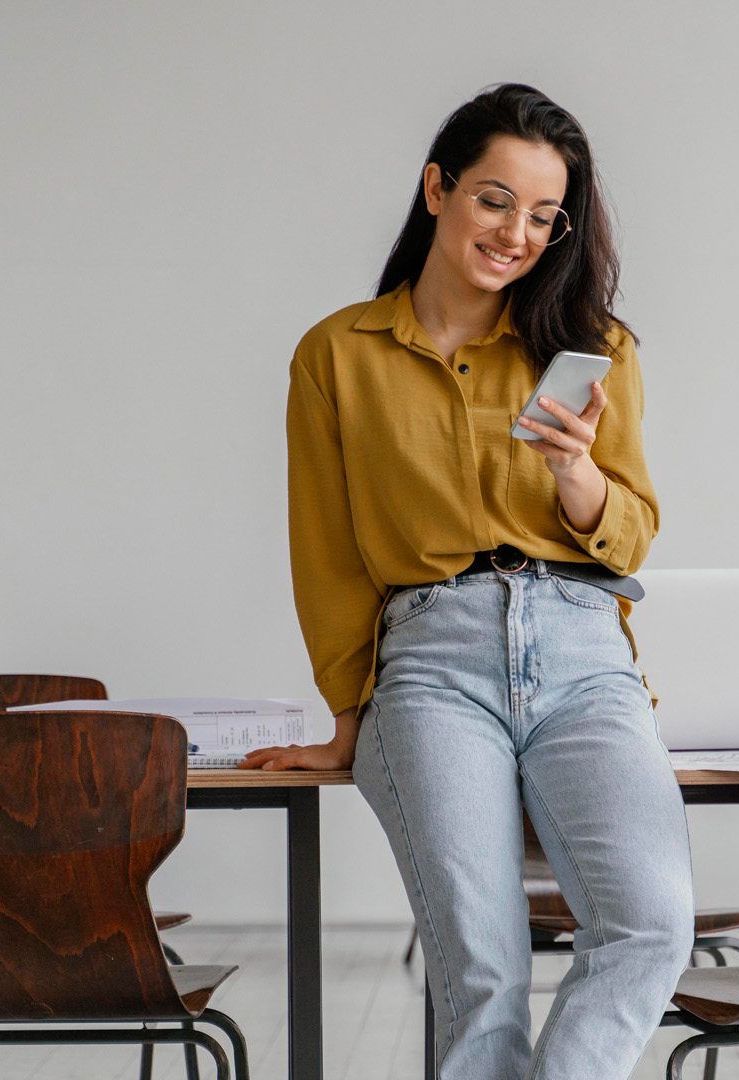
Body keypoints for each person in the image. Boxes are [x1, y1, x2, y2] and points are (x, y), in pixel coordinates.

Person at [242, 84, 694, 1079]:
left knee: (651, 926)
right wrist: (350, 714)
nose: (517, 234)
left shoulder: (593, 350)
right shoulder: (337, 355)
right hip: (430, 664)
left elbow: (633, 538)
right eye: (496, 200)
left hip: (583, 653)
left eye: (543, 215)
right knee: (481, 969)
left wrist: (576, 474)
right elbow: (326, 552)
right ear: (437, 188)